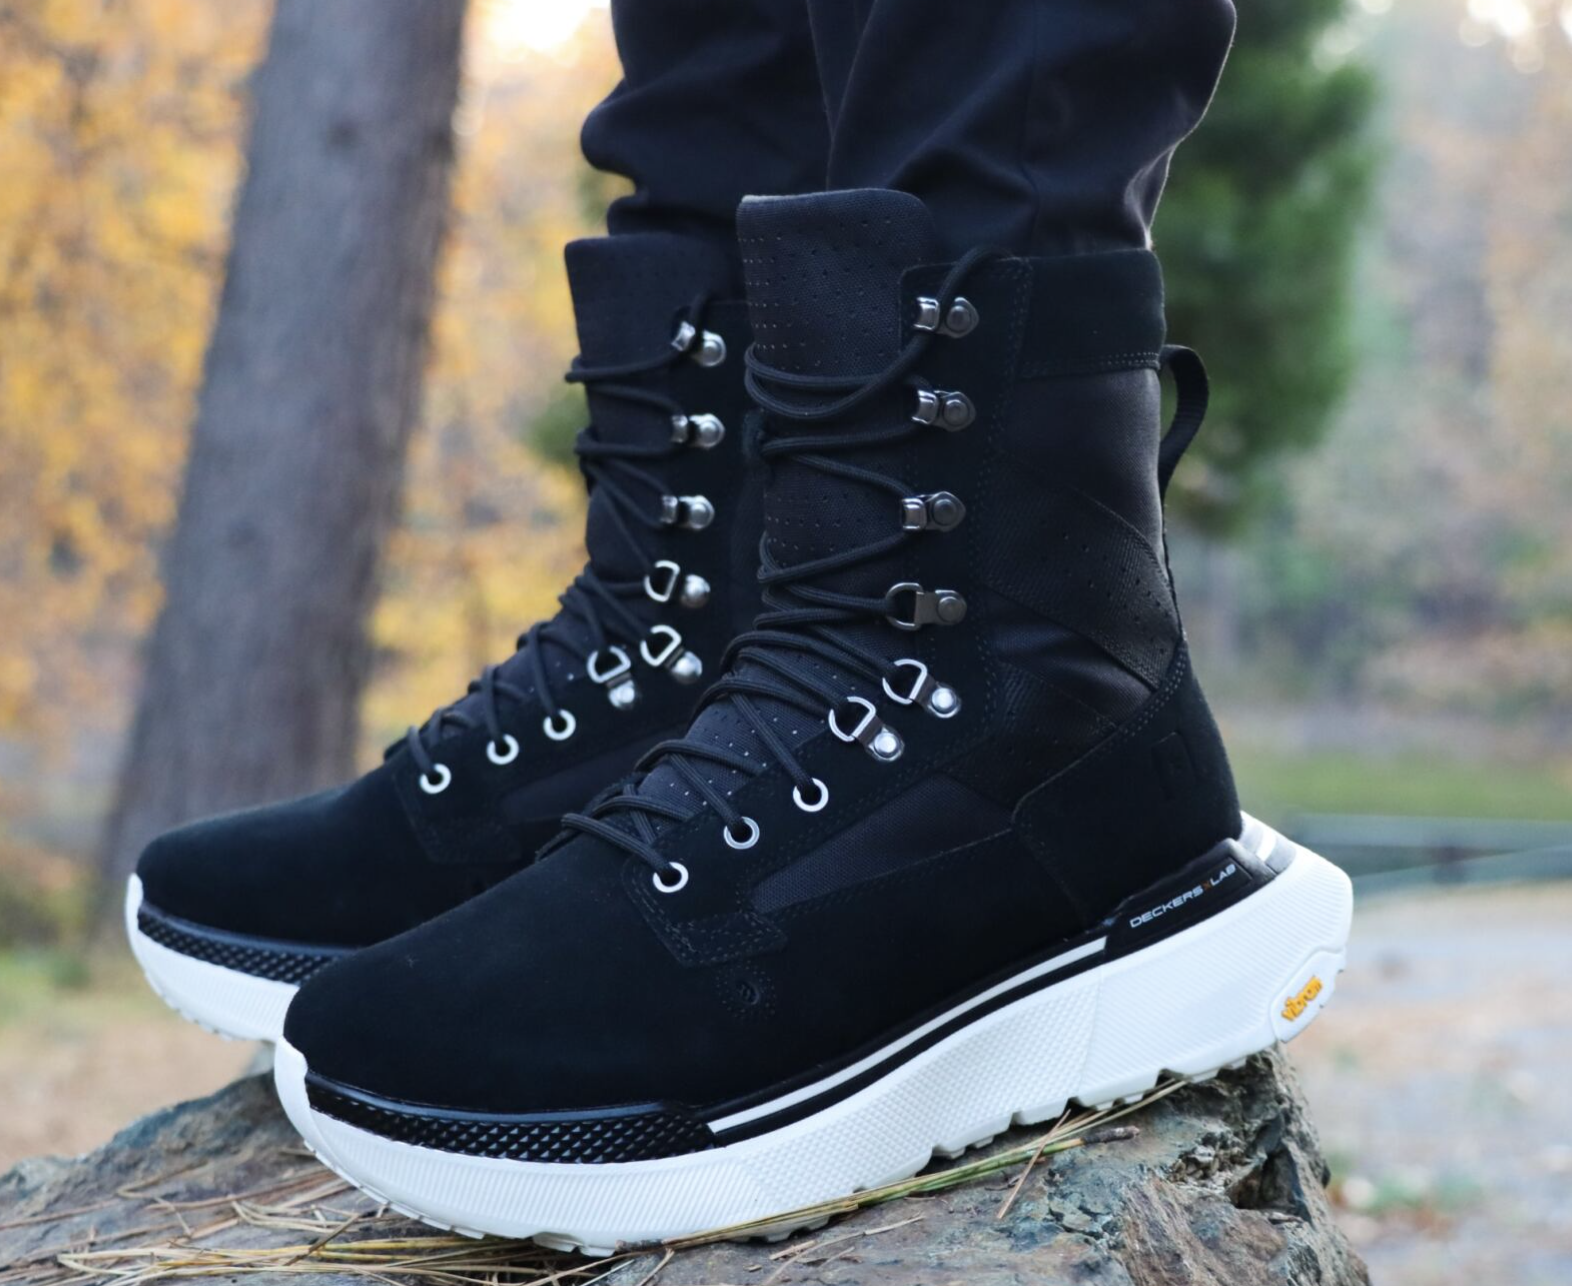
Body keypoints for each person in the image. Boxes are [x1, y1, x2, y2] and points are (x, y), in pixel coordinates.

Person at [134, 0, 1354, 1248]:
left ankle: (1023, 730)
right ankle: (733, 686)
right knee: (725, 76)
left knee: (978, 82)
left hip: (1014, 692)